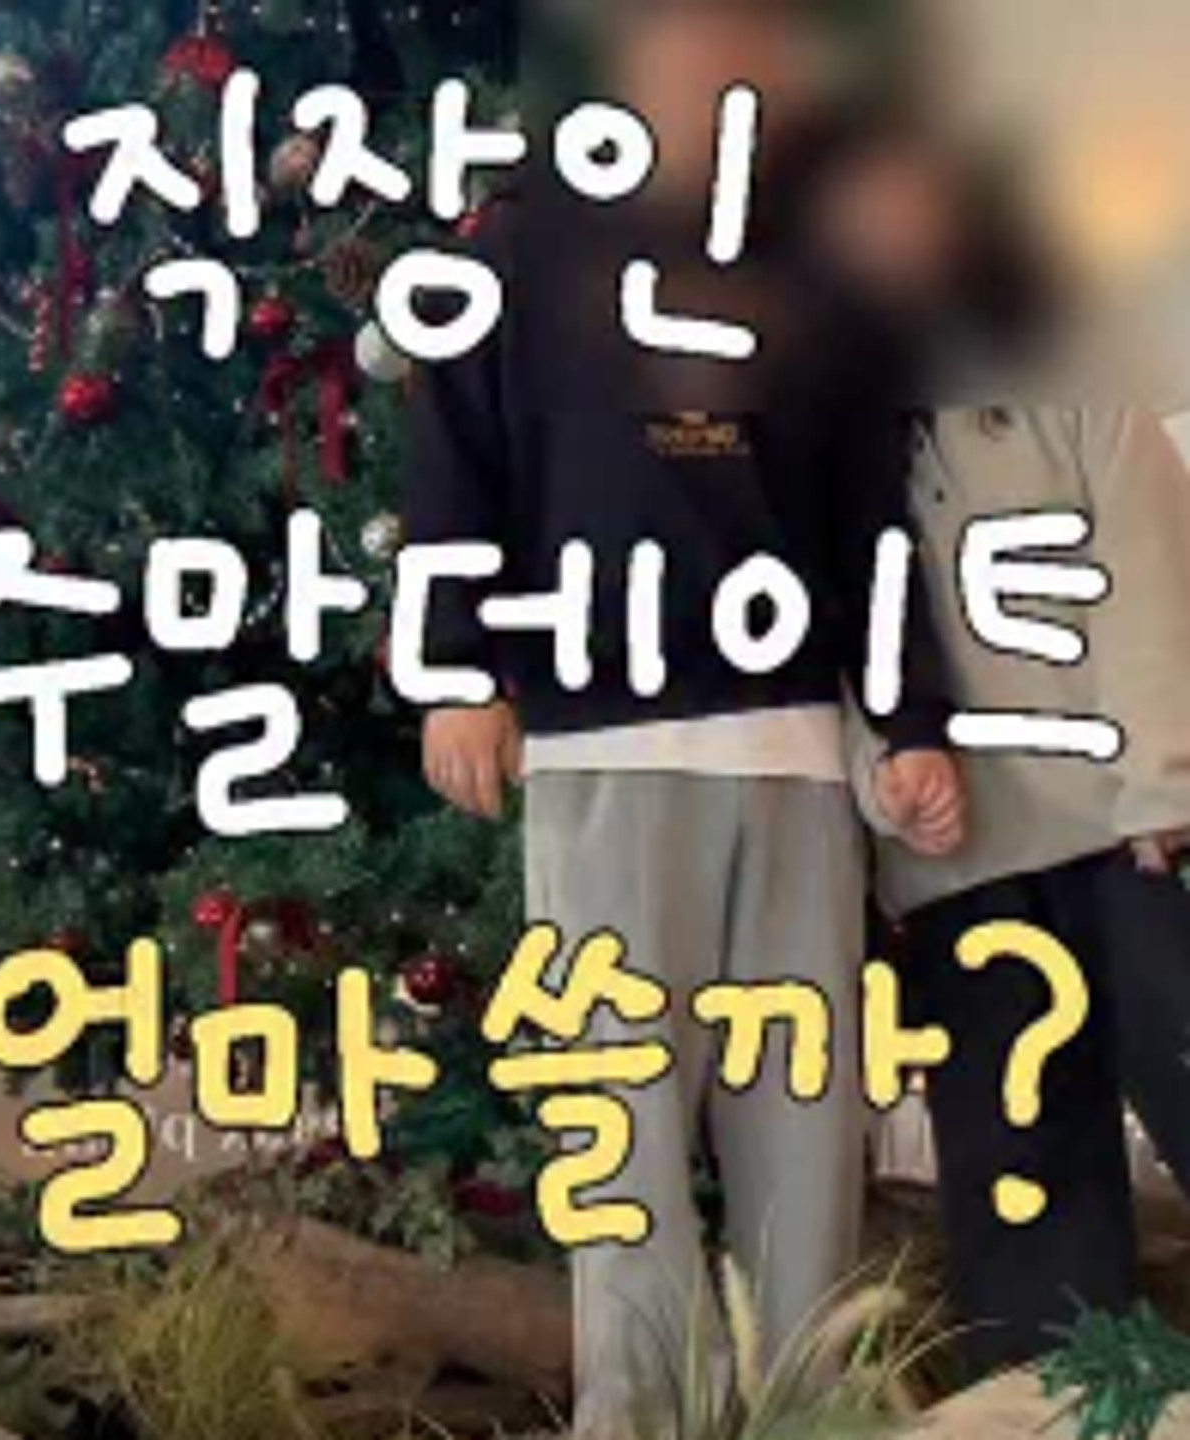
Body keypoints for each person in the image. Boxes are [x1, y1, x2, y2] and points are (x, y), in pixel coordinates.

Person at [404, 4, 964, 1434]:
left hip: (795, 756)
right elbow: (454, 460)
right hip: (602, 744)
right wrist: (460, 667)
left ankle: (808, 1411)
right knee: (622, 1126)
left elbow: (872, 518)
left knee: (804, 1124)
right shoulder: (516, 252)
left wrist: (908, 720)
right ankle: (638, 1416)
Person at [855, 405, 1190, 1373]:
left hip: (1127, 837)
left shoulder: (1069, 385)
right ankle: (1061, 1408)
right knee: (1024, 1214)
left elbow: (1147, 564)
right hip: (956, 874)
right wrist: (880, 792)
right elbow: (827, 629)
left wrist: (1165, 783)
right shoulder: (826, 422)